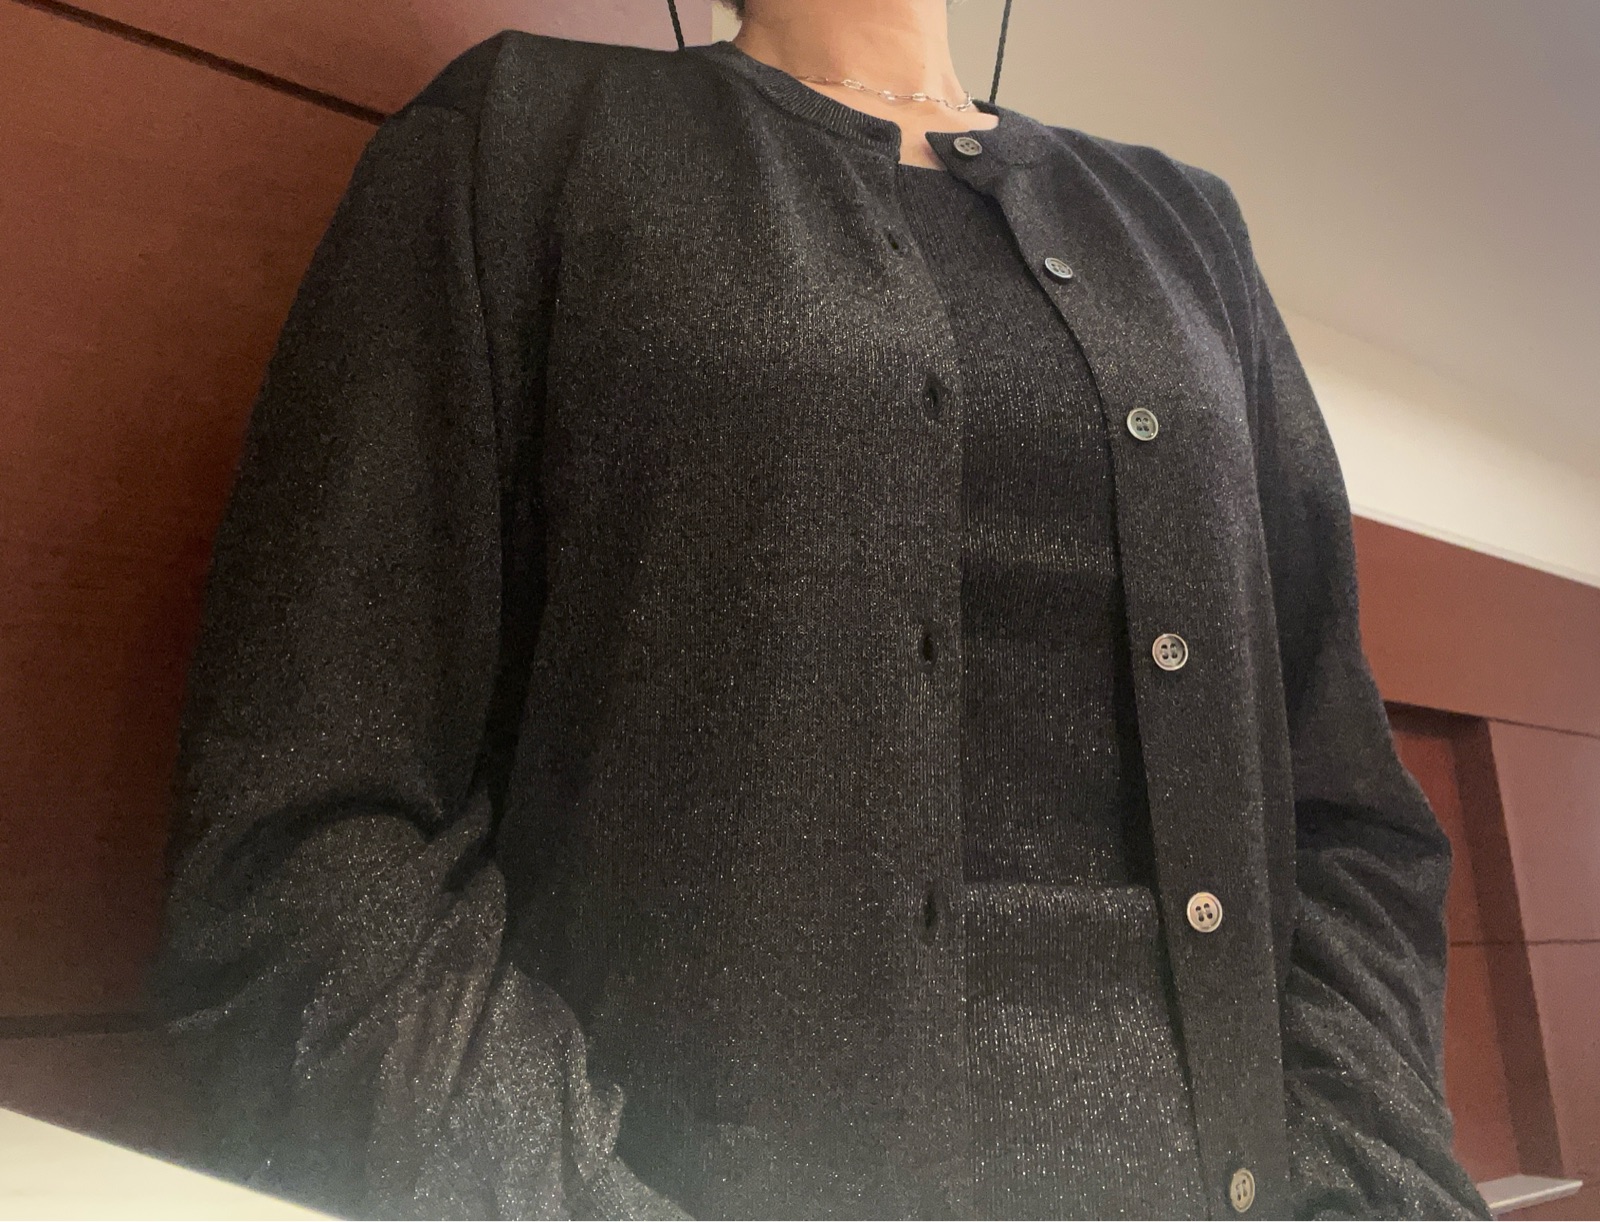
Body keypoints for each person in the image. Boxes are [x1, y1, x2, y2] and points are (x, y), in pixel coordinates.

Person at [148, 1, 1494, 1218]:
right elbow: (310, 824)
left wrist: (1376, 1187)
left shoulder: (1187, 230)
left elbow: (1346, 807)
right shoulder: (520, 138)